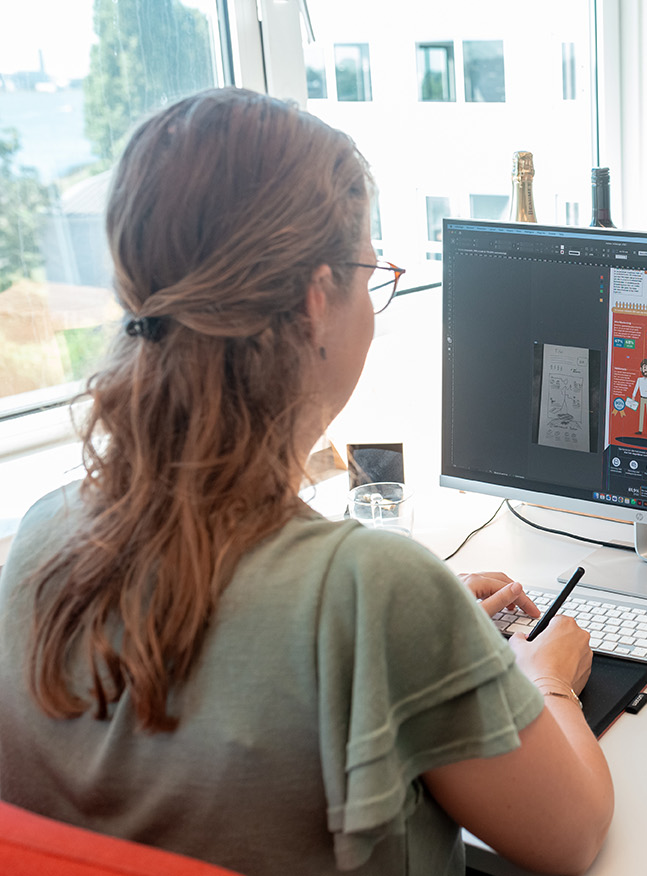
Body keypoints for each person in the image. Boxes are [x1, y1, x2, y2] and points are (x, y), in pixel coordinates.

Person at [0, 88, 611, 876]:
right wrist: (544, 677)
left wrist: (431, 633)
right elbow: (571, 837)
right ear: (317, 300)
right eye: (371, 273)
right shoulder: (373, 592)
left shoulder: (42, 535)